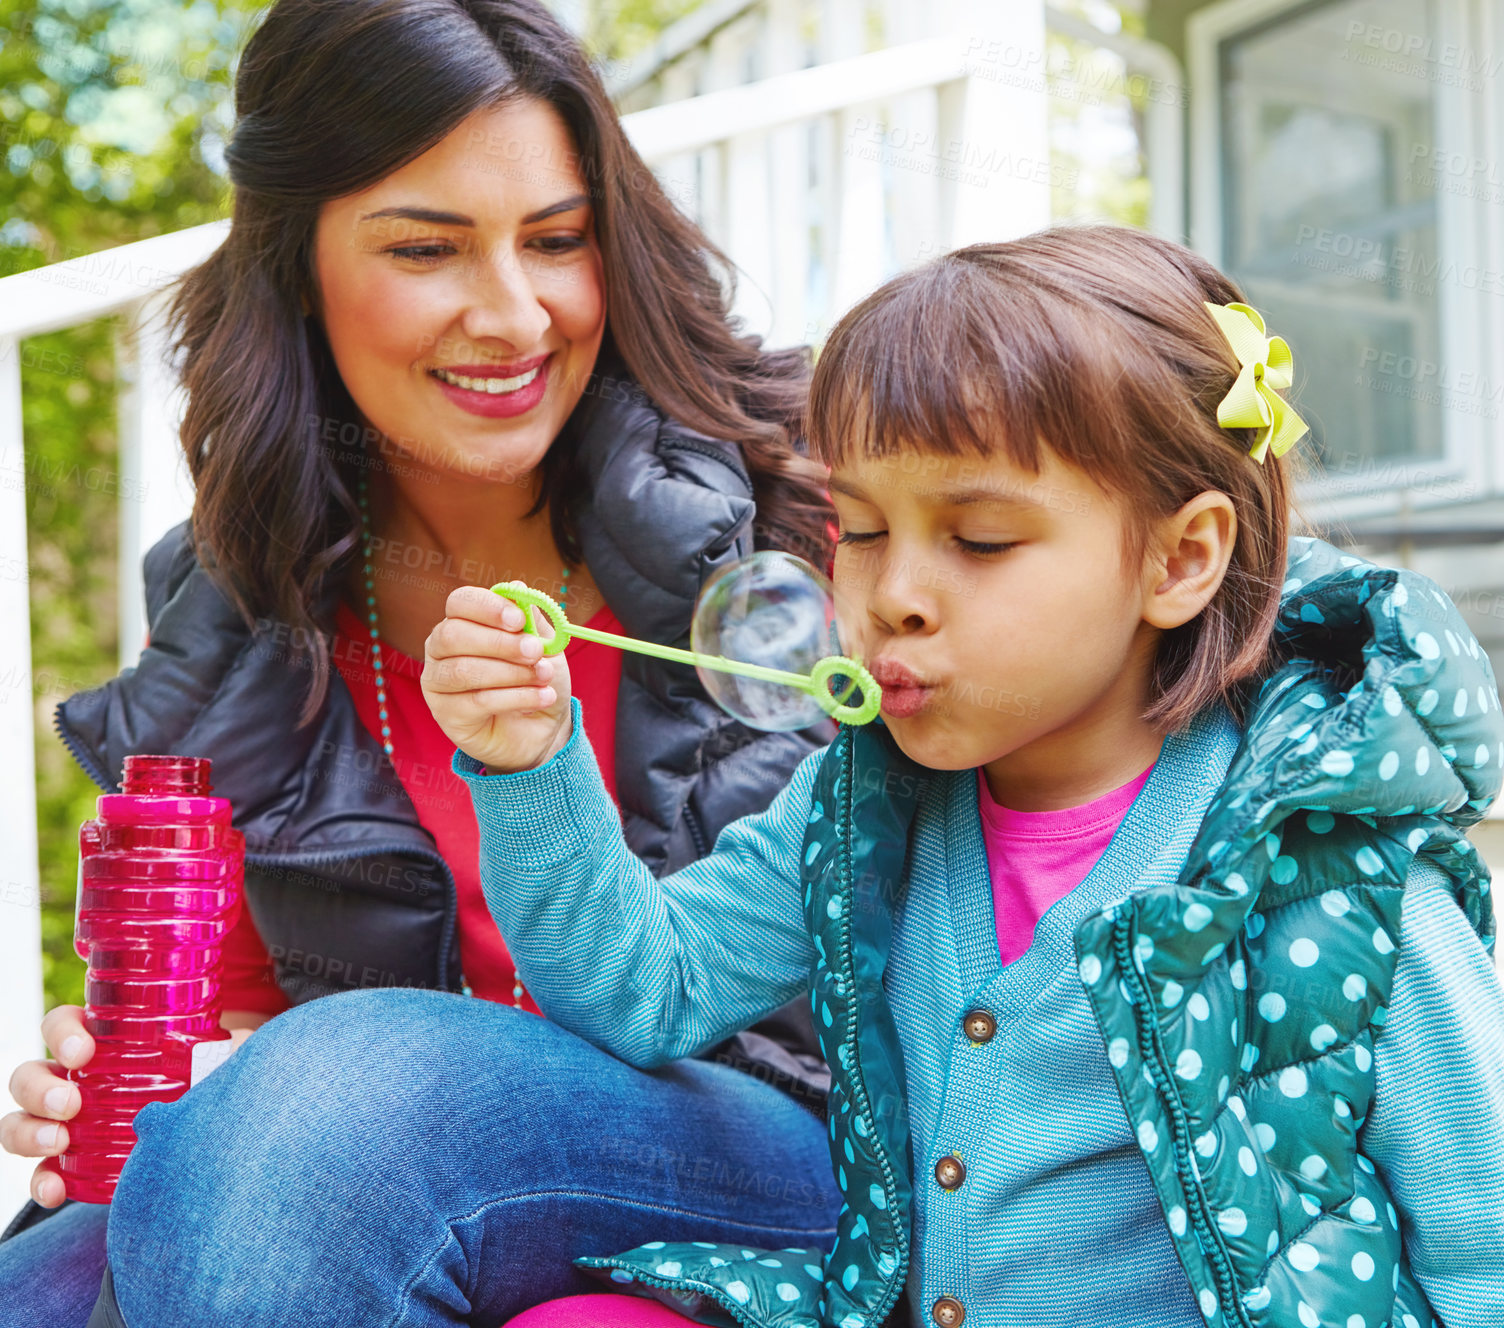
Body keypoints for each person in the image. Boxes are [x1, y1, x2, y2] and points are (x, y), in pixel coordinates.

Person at [114, 224, 1503, 1328]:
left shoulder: (1332, 876)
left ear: (1180, 558)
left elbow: (1483, 1249)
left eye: (979, 540)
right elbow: (642, 990)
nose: (892, 596)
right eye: (859, 530)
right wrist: (531, 765)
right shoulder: (867, 808)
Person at [0, 2, 845, 1324]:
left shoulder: (809, 513)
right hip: (372, 1169)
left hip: (767, 1143)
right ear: (298, 267)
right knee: (53, 1269)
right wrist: (150, 1073)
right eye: (425, 248)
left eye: (559, 241)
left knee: (320, 1114)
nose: (512, 315)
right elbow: (239, 1010)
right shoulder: (237, 607)